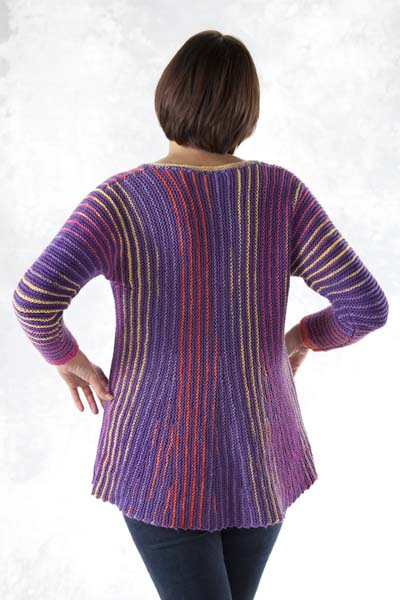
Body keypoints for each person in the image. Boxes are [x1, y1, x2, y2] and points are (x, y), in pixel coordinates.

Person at [12, 29, 389, 600]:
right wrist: (300, 338)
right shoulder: (280, 194)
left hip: (158, 459)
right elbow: (366, 307)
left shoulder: (121, 201)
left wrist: (68, 359)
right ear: (246, 112)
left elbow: (34, 299)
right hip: (259, 455)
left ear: (167, 97)